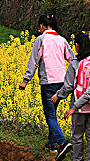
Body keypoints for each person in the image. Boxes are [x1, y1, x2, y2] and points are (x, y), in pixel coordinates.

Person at [19, 15, 74, 156]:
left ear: (43, 26)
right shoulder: (62, 40)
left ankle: (62, 142)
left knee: (49, 115)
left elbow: (34, 60)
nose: (39, 28)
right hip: (62, 83)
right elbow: (72, 59)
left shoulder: (41, 39)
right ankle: (52, 144)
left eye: (39, 26)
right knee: (53, 114)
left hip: (48, 83)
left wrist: (26, 80)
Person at [58, 33, 90, 161]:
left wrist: (58, 96)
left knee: (77, 136)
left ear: (77, 46)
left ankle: (78, 159)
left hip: (79, 107)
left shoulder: (76, 63)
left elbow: (69, 86)